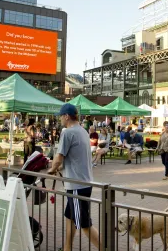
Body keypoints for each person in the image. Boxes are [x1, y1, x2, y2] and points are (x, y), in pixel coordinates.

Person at [48, 104, 100, 251]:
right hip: (83, 182)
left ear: (66, 116)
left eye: (60, 116)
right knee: (70, 217)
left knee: (84, 224)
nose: (60, 119)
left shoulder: (68, 132)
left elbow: (58, 158)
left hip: (77, 185)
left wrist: (52, 169)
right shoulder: (82, 131)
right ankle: (67, 248)